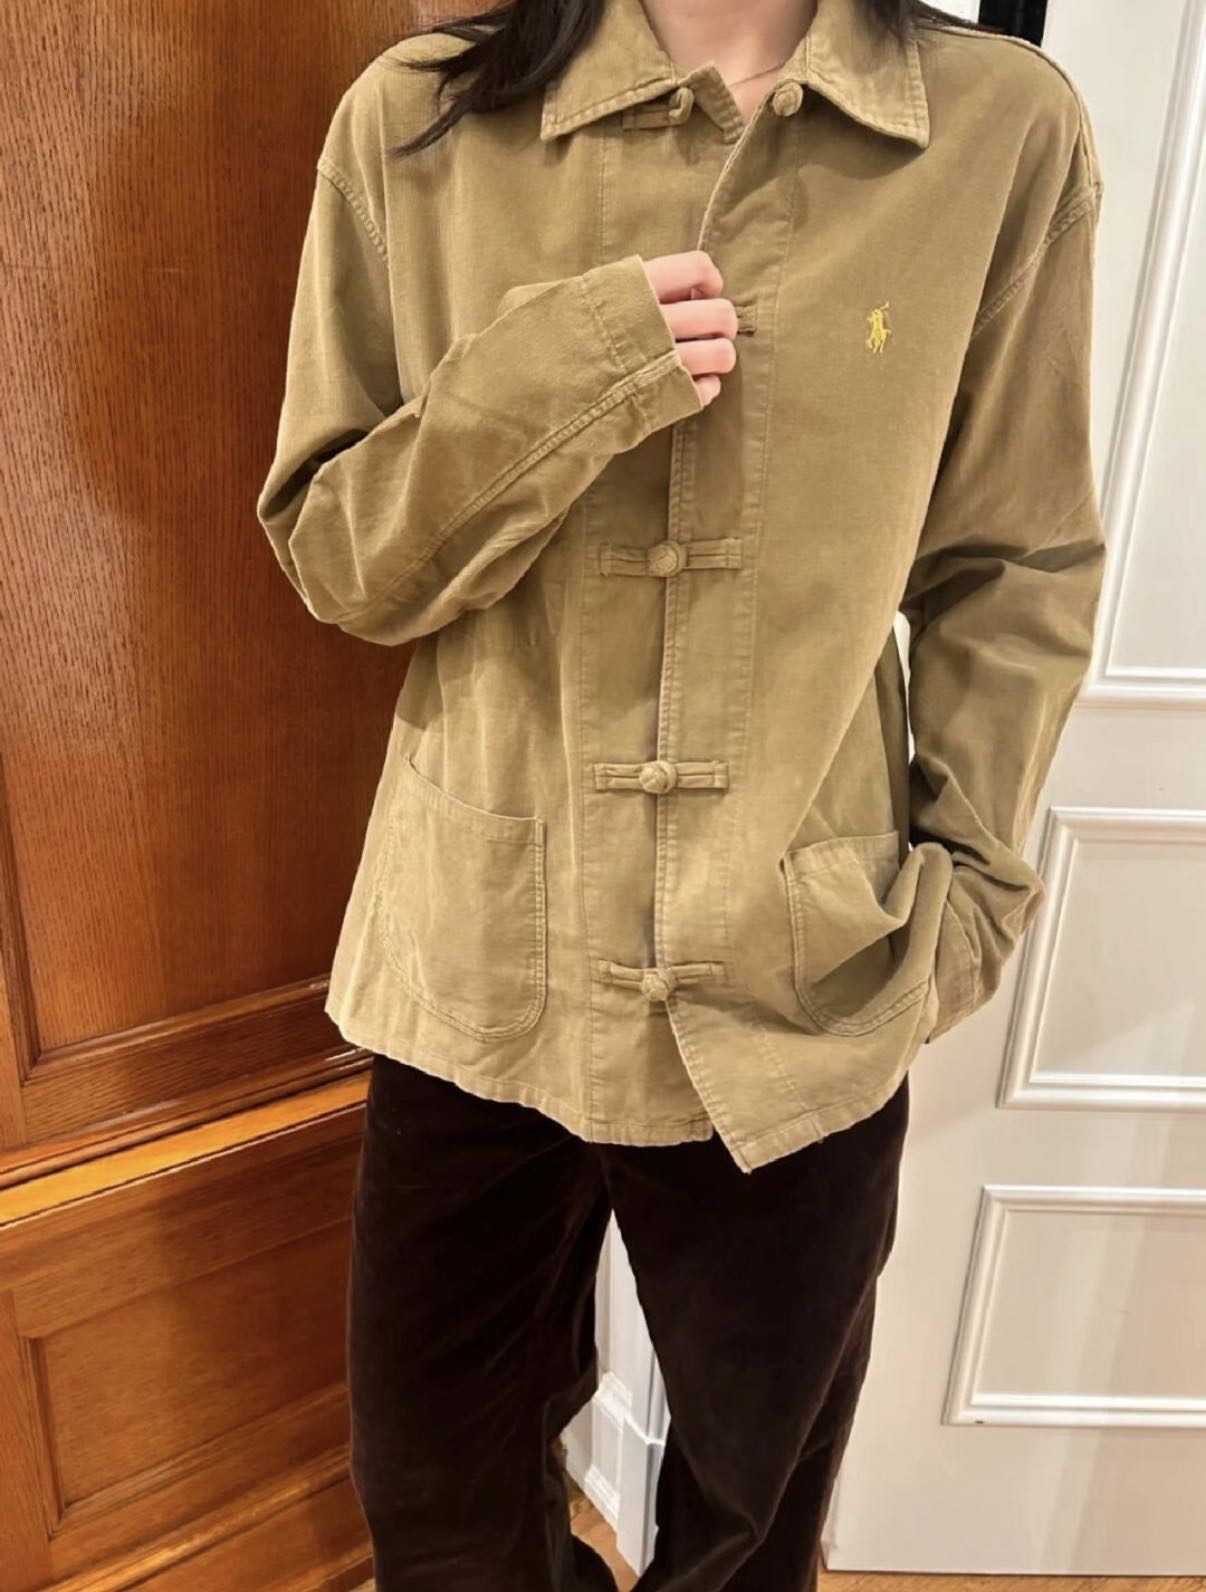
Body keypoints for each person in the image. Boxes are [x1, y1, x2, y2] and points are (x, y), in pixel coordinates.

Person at [255, 0, 1107, 1585]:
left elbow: (1016, 560)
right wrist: (560, 374)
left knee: (751, 1516)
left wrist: (973, 891)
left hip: (803, 961)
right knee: (436, 1494)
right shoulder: (419, 117)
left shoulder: (998, 129)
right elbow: (340, 557)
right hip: (475, 956)